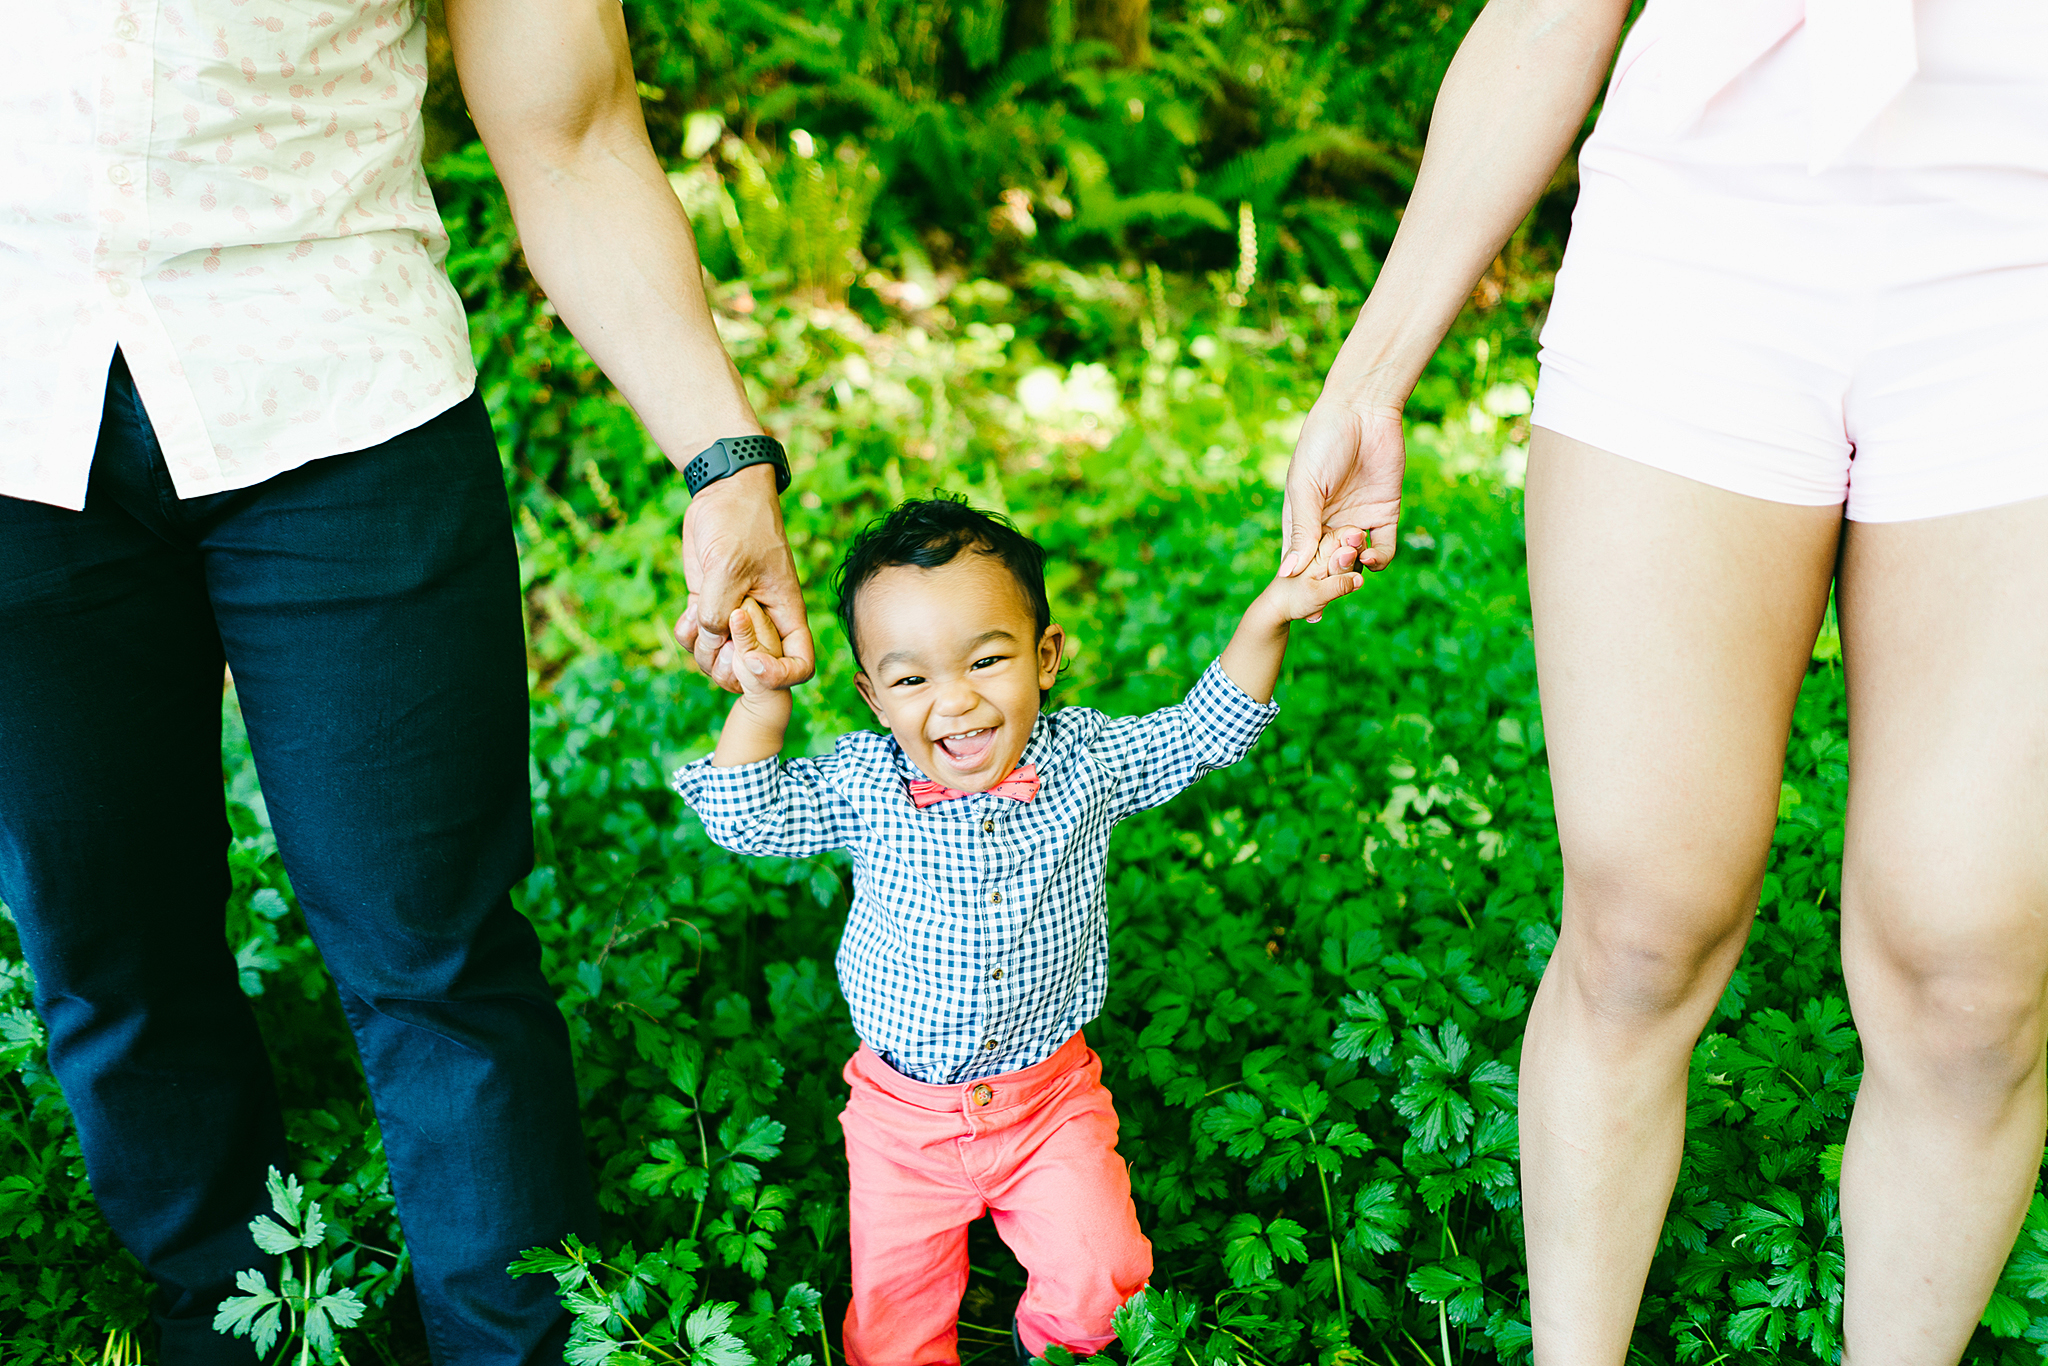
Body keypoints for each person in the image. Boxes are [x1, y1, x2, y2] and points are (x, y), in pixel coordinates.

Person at [0, 1, 809, 1360]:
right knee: (105, 949)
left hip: (346, 397)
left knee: (433, 949)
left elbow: (578, 125)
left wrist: (721, 454)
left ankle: (516, 1343)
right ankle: (232, 1326)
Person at [1278, 0, 2048, 1359]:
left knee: (1973, 980)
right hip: (1704, 236)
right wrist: (1374, 366)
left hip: (2023, 257)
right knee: (1642, 921)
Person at [669, 498, 1364, 1363]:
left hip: (1050, 1101)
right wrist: (764, 703)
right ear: (873, 696)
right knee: (894, 1331)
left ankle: (1061, 1346)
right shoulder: (864, 783)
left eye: (987, 660)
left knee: (1102, 1283)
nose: (956, 702)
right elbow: (746, 817)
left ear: (1046, 657)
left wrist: (1267, 617)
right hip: (903, 1117)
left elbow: (1205, 730)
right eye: (913, 679)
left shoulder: (1086, 760)